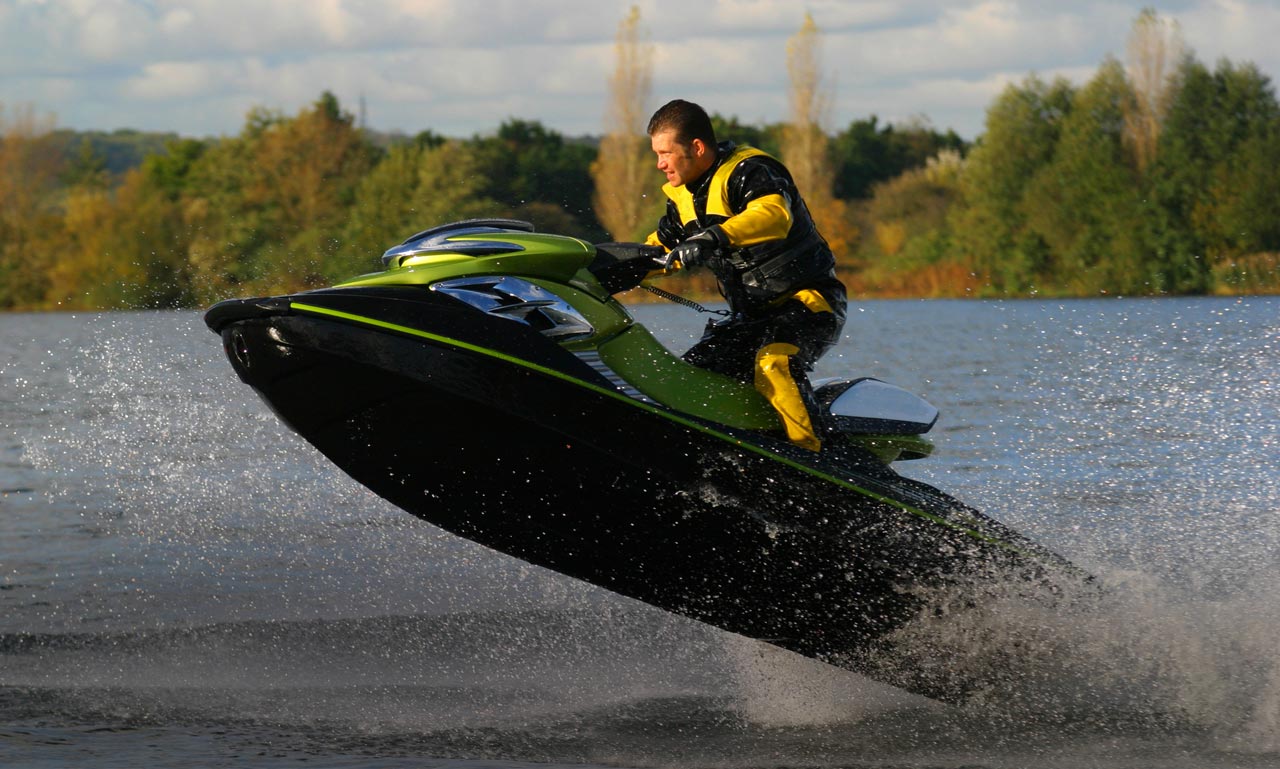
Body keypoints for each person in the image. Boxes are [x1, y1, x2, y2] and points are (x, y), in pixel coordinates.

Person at [643, 99, 847, 452]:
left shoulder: (751, 170)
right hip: (749, 320)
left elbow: (773, 215)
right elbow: (656, 251)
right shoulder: (681, 199)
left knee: (774, 361)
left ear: (696, 147)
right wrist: (599, 268)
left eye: (666, 153)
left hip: (808, 303)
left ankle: (813, 458)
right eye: (656, 154)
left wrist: (713, 237)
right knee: (687, 382)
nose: (659, 164)